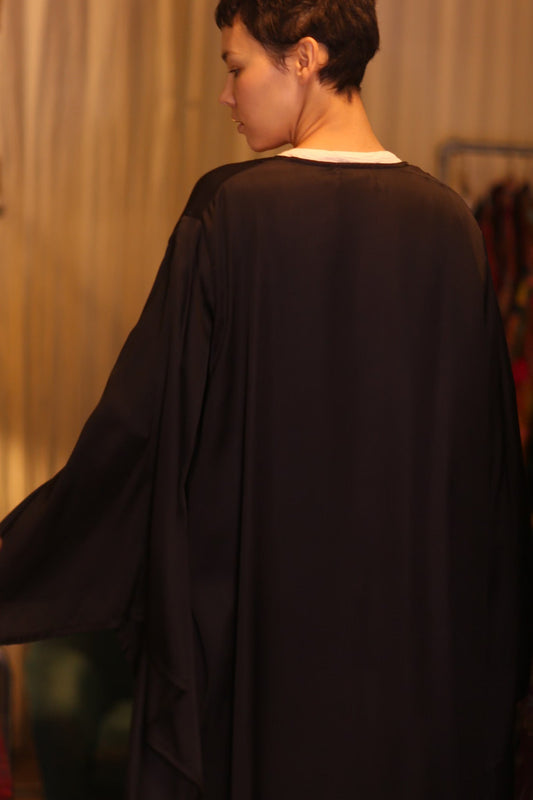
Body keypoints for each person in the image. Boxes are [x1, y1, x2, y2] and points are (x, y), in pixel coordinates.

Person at [0, 1, 531, 798]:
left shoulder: (230, 211)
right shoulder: (451, 226)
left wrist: (16, 567)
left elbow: (137, 438)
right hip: (418, 682)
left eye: (234, 66)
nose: (226, 93)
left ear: (305, 58)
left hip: (265, 666)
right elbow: (487, 480)